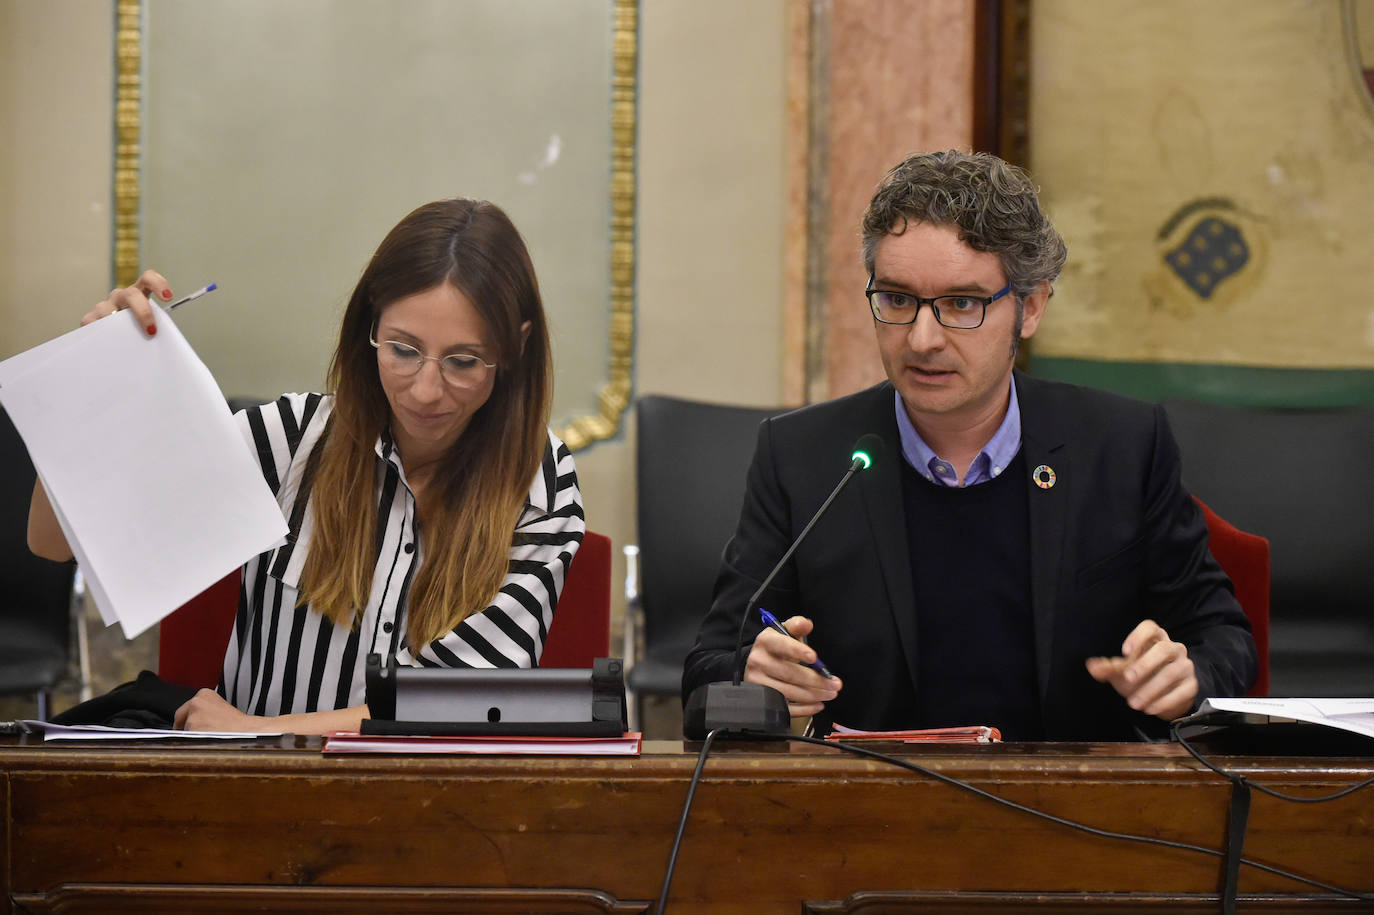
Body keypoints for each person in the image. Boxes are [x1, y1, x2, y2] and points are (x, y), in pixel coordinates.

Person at [682, 150, 1256, 741]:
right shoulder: (802, 456)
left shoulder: (1121, 446)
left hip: (1077, 808)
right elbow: (710, 664)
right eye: (898, 300)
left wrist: (1187, 678)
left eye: (962, 304)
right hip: (869, 808)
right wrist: (752, 674)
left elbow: (1225, 640)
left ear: (1030, 308)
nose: (923, 339)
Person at [29, 198, 586, 734]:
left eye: (463, 361)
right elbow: (54, 543)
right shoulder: (294, 440)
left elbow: (463, 703)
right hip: (264, 794)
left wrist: (259, 731)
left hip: (431, 806)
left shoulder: (540, 481)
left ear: (514, 347)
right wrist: (91, 375)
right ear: (370, 327)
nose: (425, 389)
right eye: (403, 348)